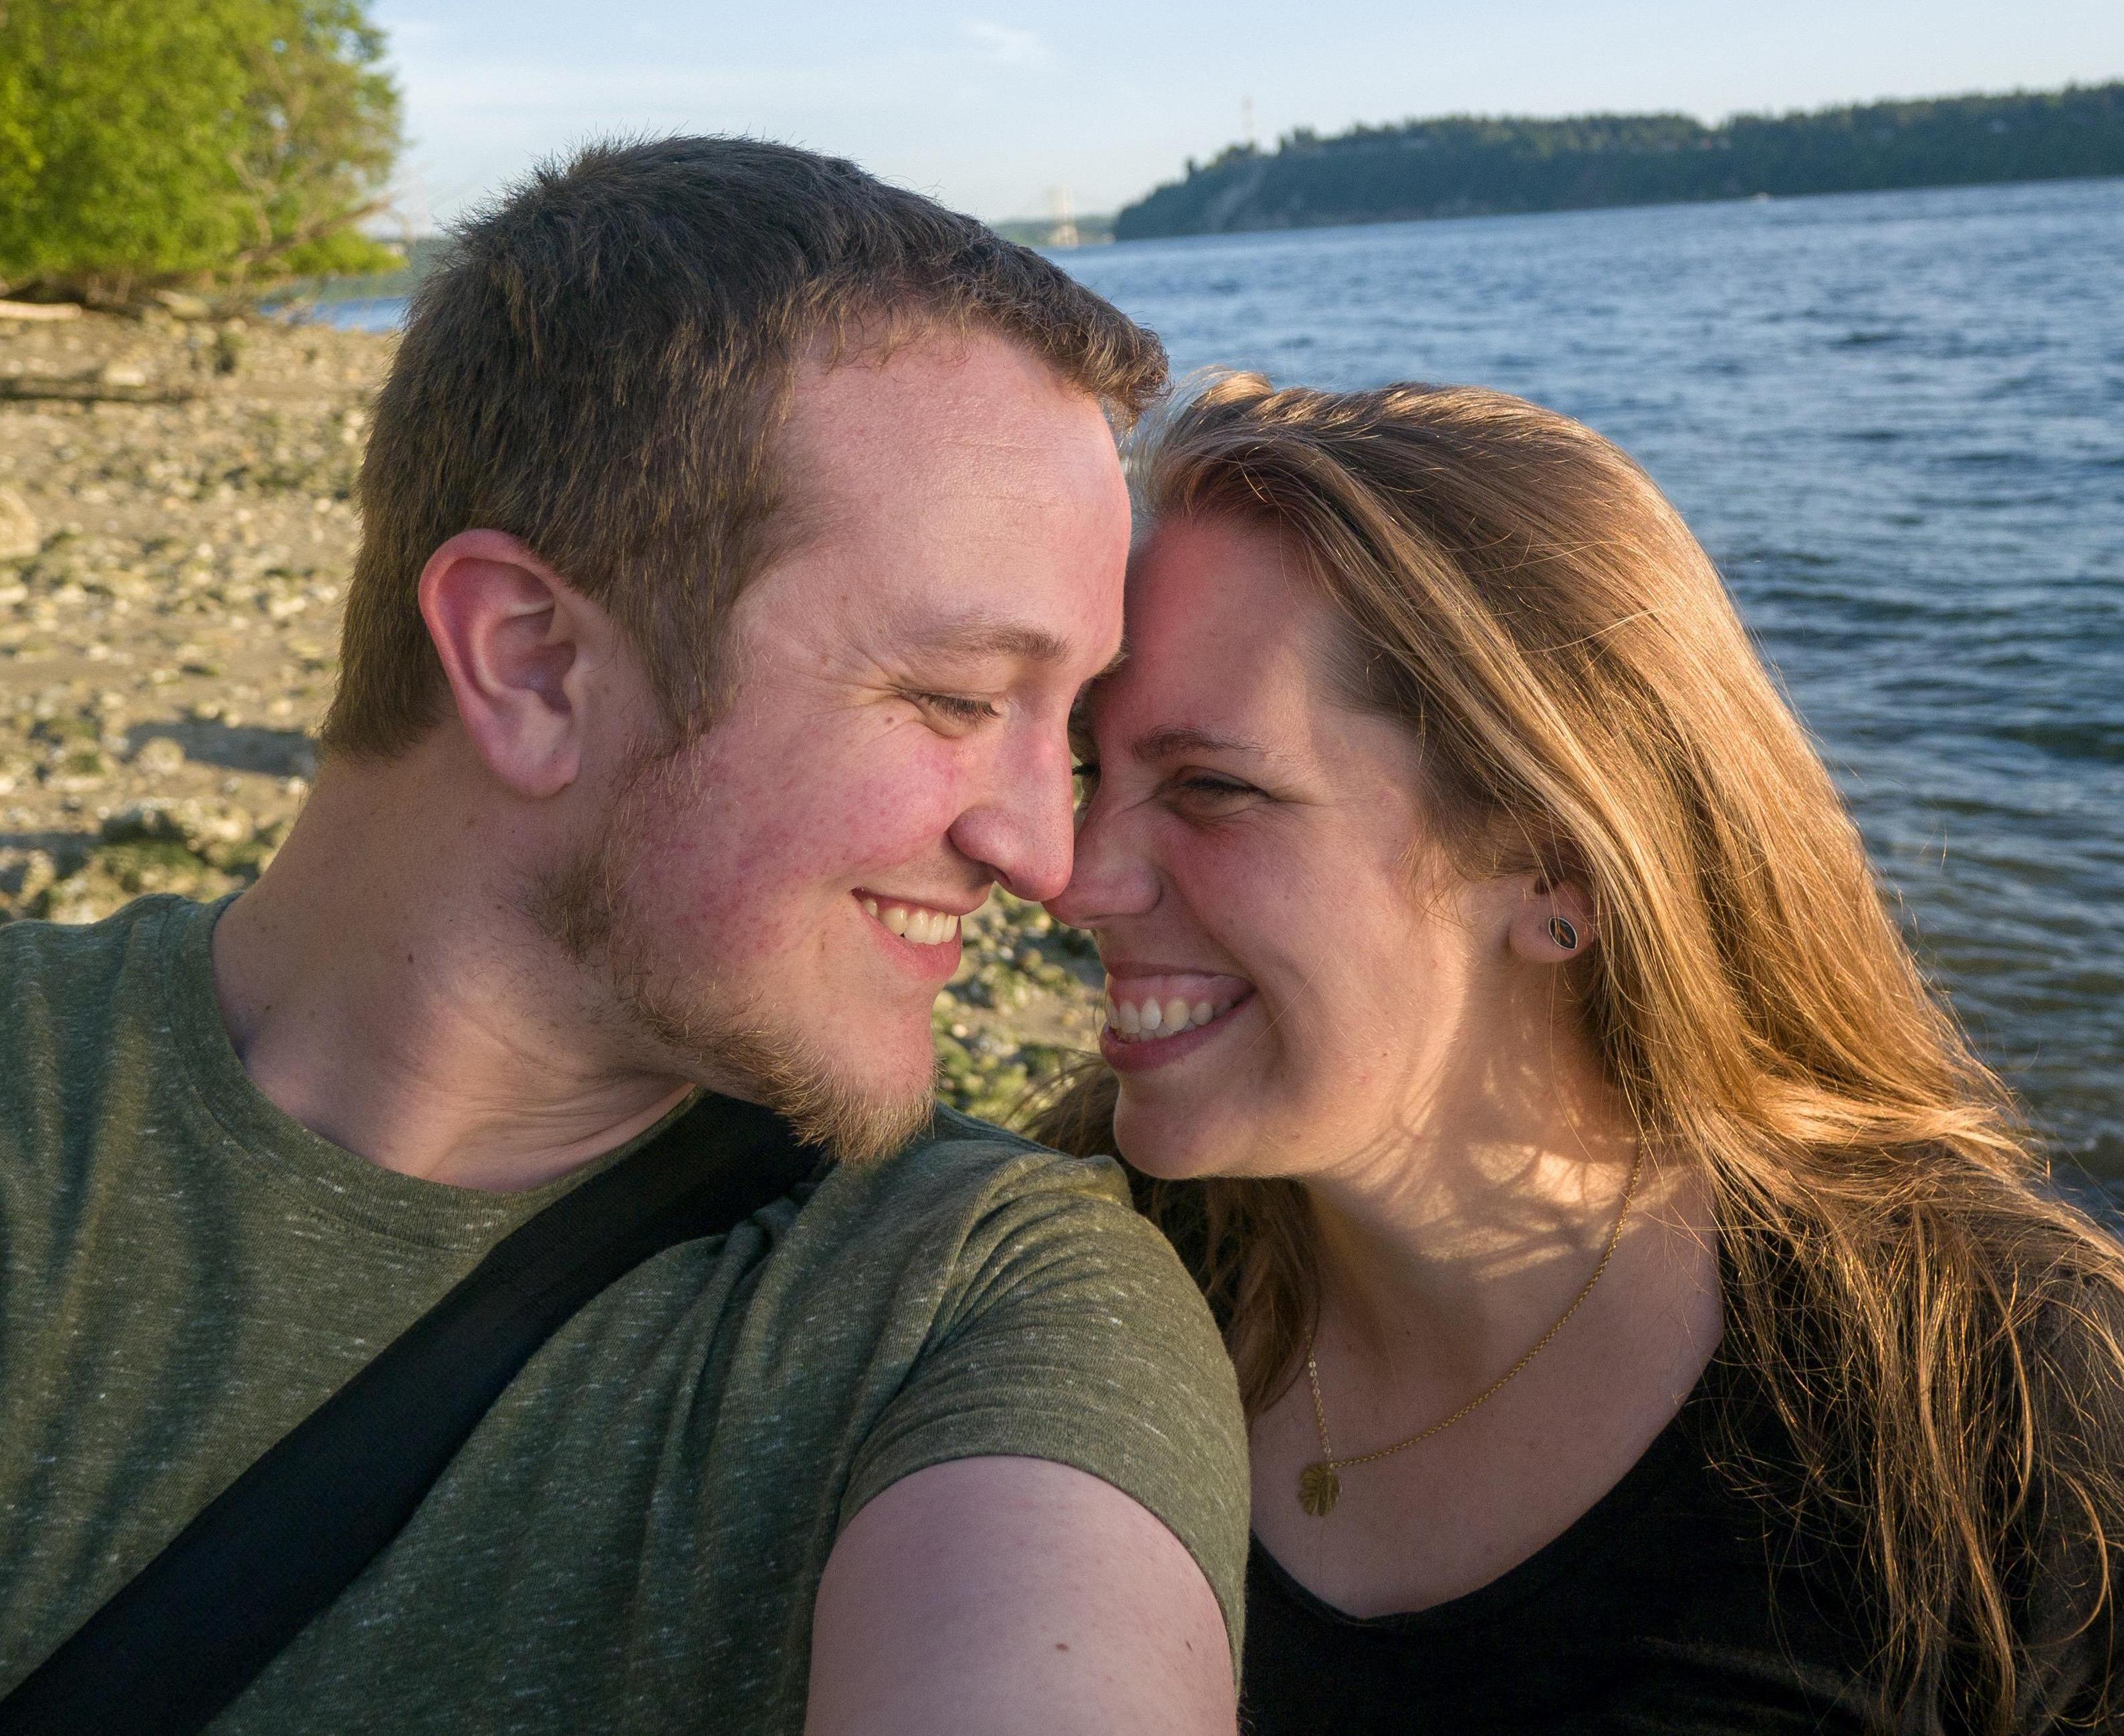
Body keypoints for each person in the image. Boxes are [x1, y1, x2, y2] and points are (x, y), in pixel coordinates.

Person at [0, 139, 1248, 1735]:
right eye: (954, 699)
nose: (1047, 851)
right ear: (530, 664)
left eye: (1065, 726)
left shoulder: (963, 1307)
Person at [1039, 372, 2124, 1735]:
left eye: (1210, 789)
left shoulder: (2005, 1407)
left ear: (1556, 868)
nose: (1071, 880)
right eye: (1085, 774)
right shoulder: (1066, 1271)